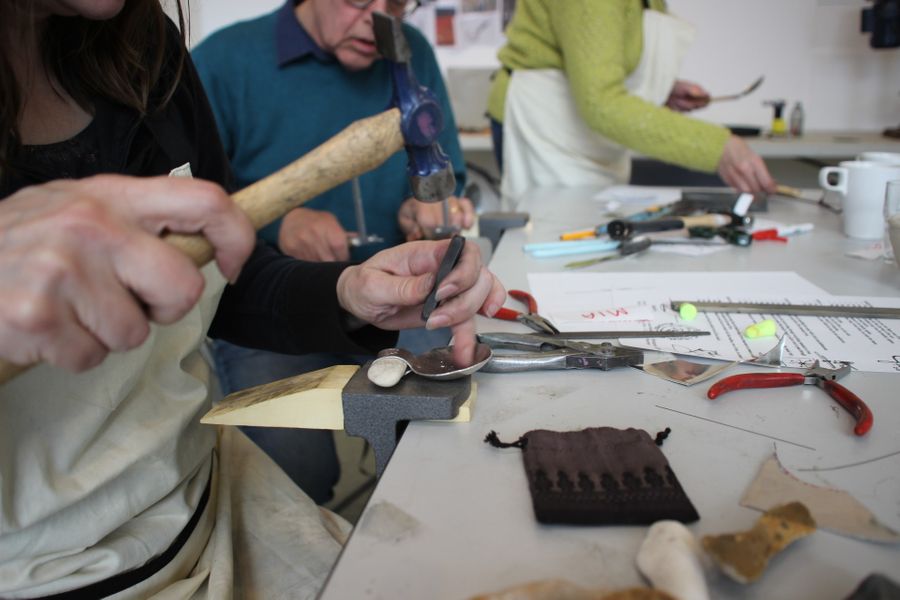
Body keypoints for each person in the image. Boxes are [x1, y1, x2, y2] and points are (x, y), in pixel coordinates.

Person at [0, 1, 504, 597]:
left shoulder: (145, 50)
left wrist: (346, 290)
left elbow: (219, 278)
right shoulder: (231, 58)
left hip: (205, 496)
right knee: (304, 455)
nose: (377, 17)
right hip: (54, 574)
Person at [191, 0, 475, 503]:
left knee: (446, 435)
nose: (378, 19)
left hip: (397, 299)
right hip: (267, 304)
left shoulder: (411, 54)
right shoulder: (222, 62)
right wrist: (279, 223)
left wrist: (424, 207)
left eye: (397, 5)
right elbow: (190, 211)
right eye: (358, 0)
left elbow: (447, 173)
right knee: (292, 467)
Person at [486, 0, 777, 202]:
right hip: (546, 128)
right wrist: (720, 148)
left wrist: (660, 89)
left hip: (580, 131)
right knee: (554, 239)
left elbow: (602, 58)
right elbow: (600, 103)